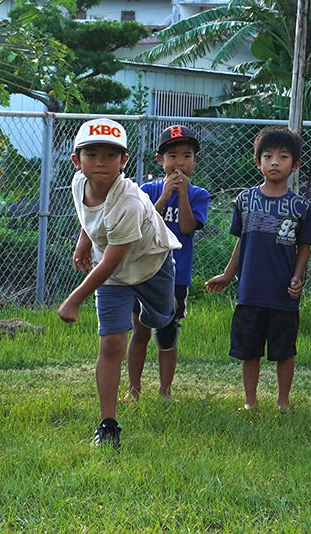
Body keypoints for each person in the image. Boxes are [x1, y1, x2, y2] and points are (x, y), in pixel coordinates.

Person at [57, 118, 181, 448]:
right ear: (76, 160)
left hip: (151, 264)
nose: (100, 161)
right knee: (112, 344)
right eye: (91, 153)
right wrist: (84, 238)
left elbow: (113, 257)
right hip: (112, 276)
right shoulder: (78, 184)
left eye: (111, 155)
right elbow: (92, 218)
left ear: (124, 161)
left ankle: (162, 311)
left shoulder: (129, 200)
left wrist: (75, 298)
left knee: (157, 321)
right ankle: (108, 424)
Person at [206, 126, 311, 412]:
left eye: (283, 157)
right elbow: (242, 241)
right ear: (257, 162)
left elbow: (304, 247)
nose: (274, 162)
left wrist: (298, 278)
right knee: (249, 349)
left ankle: (283, 401)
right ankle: (250, 401)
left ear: (295, 165)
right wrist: (228, 274)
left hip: (283, 293)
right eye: (267, 156)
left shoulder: (301, 206)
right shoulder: (245, 200)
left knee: (284, 350)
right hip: (250, 291)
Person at [123, 125, 210, 402]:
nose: (179, 163)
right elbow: (143, 223)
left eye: (186, 156)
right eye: (172, 156)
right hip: (143, 272)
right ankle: (133, 390)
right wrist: (164, 195)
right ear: (160, 160)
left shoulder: (199, 195)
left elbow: (186, 228)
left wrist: (182, 194)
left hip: (176, 276)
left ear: (195, 160)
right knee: (139, 331)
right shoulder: (146, 190)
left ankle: (165, 391)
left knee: (167, 334)